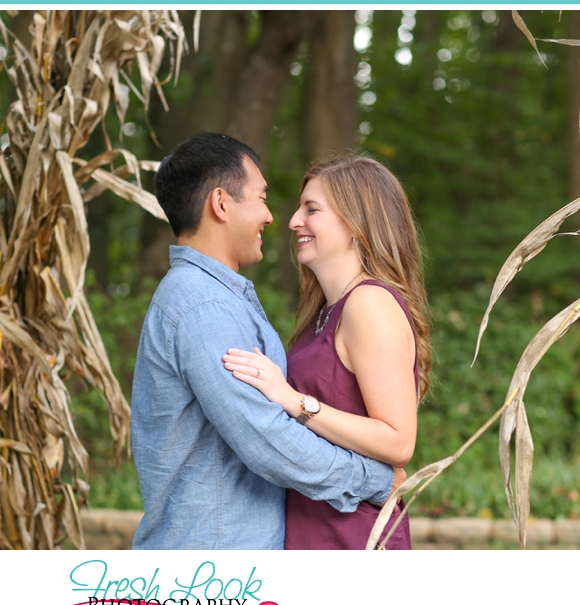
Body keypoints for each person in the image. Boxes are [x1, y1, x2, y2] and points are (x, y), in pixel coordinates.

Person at [131, 132, 400, 550]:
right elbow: (266, 438)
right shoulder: (203, 307)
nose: (275, 217)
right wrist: (374, 480)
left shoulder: (217, 299)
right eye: (261, 197)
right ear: (221, 204)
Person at [221, 155, 430, 549]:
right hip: (314, 528)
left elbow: (399, 441)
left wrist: (294, 401)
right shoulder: (325, 311)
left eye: (311, 209)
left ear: (356, 222)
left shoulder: (369, 304)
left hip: (353, 537)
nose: (293, 221)